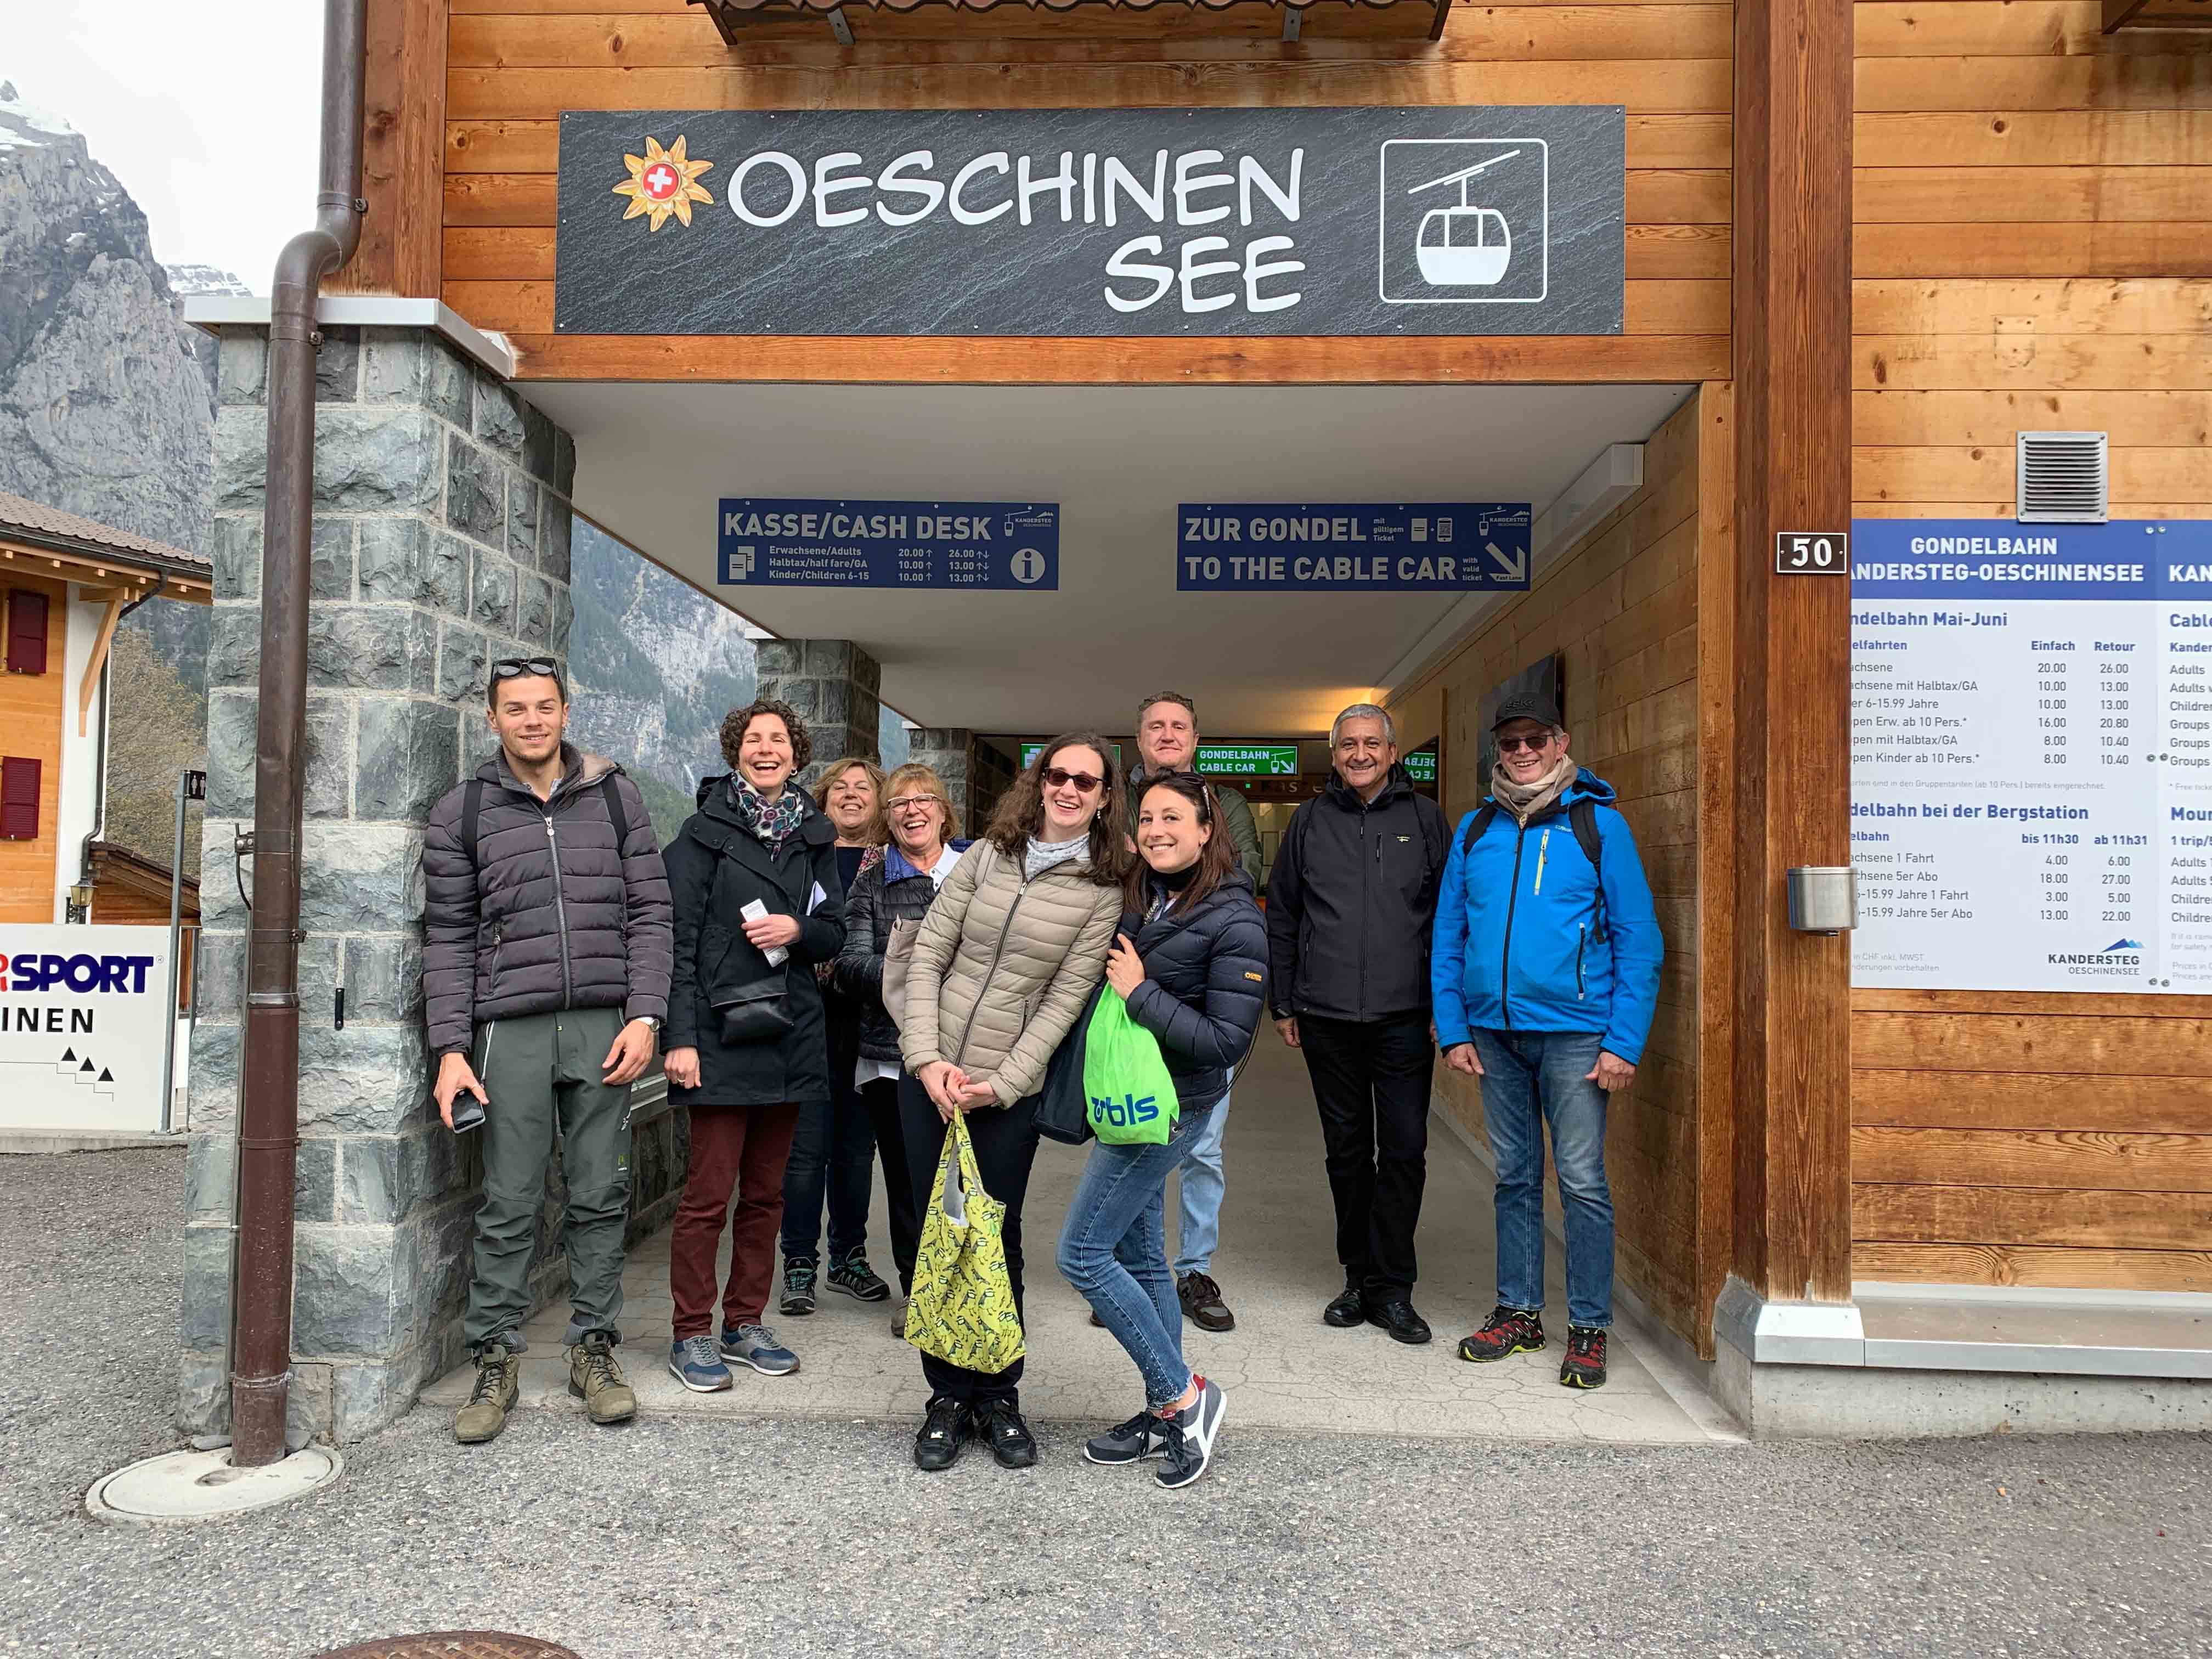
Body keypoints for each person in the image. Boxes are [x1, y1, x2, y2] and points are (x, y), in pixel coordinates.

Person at [422, 656, 672, 1446]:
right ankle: (496, 1359)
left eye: (544, 706)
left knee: (601, 1193)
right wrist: (450, 1048)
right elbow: (447, 937)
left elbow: (652, 912)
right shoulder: (463, 812)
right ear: (492, 719)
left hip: (604, 1023)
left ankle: (593, 1350)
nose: (531, 720)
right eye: (515, 709)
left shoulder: (617, 798)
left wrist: (647, 1016)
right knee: (509, 1201)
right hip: (510, 1029)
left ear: (567, 712)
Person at [898, 734, 1126, 1472]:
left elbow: (1064, 1002)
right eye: (1058, 774)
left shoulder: (1103, 889)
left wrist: (1003, 1082)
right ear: (1039, 781)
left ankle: (998, 1394)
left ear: (1104, 797)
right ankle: (946, 1397)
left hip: (1005, 1091)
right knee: (937, 1232)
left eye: (1086, 781)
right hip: (930, 1078)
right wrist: (926, 1059)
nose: (1069, 789)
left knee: (993, 1237)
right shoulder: (987, 856)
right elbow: (929, 954)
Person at [1433, 691, 1663, 1391]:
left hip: (1576, 1035)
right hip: (1494, 1034)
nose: (1523, 752)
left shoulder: (1598, 825)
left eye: (1536, 739)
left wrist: (1624, 1042)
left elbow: (1639, 938)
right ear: (1498, 752)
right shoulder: (1475, 829)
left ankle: (1588, 1326)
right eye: (1510, 742)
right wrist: (1453, 1027)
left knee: (1583, 1181)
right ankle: (1520, 1313)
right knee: (1515, 1178)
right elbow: (1449, 935)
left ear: (1561, 744)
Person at [1059, 772, 1262, 1490]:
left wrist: (1140, 992)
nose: (1157, 831)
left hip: (1171, 1107)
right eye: (1147, 819)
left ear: (1207, 830)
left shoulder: (1236, 919)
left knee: (1083, 1253)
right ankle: (1164, 1410)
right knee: (1144, 1258)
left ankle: (1183, 1395)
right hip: (1131, 1100)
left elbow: (1226, 1041)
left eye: (1173, 818)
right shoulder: (1147, 895)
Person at [659, 699, 845, 1393]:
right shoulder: (701, 835)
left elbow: (834, 930)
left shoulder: (816, 835)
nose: (766, 749)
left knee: (767, 1195)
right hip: (716, 1035)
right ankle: (690, 1332)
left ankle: (744, 1322)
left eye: (779, 740)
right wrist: (679, 1039)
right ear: (735, 752)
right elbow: (676, 942)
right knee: (708, 1196)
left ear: (796, 755)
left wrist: (797, 930)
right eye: (754, 740)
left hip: (789, 1032)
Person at [1266, 702, 1450, 1345]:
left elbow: (1448, 917)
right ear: (1335, 753)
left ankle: (1393, 1288)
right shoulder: (1309, 821)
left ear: (1392, 752)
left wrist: (1446, 1006)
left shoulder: (1425, 819)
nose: (1360, 754)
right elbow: (1283, 914)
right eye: (1349, 744)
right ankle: (1356, 1278)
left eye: (1372, 743)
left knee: (1403, 1150)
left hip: (1406, 1017)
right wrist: (1284, 1000)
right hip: (1327, 1016)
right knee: (1346, 1153)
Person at [1122, 692, 1261, 1335]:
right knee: (1137, 1140)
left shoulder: (1224, 802)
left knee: (1202, 1148)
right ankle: (1139, 1273)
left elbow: (1243, 871)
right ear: (1140, 739)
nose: (1168, 734)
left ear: (1195, 739)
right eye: (1156, 726)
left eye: (1179, 726)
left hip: (1201, 987)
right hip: (1131, 992)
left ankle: (1194, 1269)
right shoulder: (1114, 800)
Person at [832, 761, 972, 1335]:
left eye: (924, 800)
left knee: (974, 1179)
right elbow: (848, 966)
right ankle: (919, 1291)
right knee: (910, 1182)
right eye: (899, 803)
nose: (913, 811)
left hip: (973, 1053)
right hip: (893, 1059)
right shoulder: (871, 884)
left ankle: (974, 1288)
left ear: (943, 811)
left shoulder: (977, 872)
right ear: (887, 819)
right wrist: (919, 971)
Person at [777, 754, 893, 1318]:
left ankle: (849, 1258)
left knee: (854, 1149)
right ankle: (799, 1263)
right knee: (805, 1149)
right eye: (840, 787)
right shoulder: (802, 856)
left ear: (879, 799)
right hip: (806, 1017)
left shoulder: (893, 862)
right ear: (823, 800)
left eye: (863, 787)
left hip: (869, 1020)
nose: (851, 795)